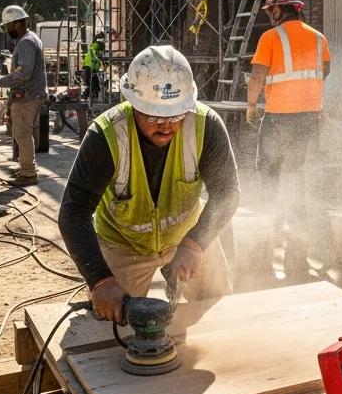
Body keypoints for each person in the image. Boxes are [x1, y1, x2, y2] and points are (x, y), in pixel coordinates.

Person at [58, 45, 240, 323]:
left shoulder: (206, 126)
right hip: (123, 243)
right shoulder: (107, 135)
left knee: (218, 311)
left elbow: (227, 194)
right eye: (154, 116)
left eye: (176, 115)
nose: (166, 125)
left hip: (187, 233)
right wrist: (100, 280)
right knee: (115, 325)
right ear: (133, 104)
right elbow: (74, 212)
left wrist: (195, 243)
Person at [246, 0, 330, 281]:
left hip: (279, 119)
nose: (270, 15)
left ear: (278, 9)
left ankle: (262, 255)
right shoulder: (318, 37)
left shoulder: (270, 37)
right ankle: (298, 256)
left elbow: (257, 76)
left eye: (271, 9)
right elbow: (324, 70)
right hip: (308, 120)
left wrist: (251, 105)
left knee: (268, 182)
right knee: (296, 180)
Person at [0, 5, 48, 187]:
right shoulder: (30, 38)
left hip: (28, 95)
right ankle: (26, 167)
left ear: (17, 23)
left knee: (22, 133)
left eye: (7, 26)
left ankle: (28, 173)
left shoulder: (26, 42)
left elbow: (24, 74)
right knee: (22, 133)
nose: (6, 30)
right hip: (31, 93)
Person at [82, 32, 106, 102]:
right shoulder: (96, 46)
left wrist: (97, 36)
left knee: (91, 83)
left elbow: (98, 55)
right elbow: (98, 55)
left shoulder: (94, 46)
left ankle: (91, 95)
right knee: (92, 83)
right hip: (91, 67)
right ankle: (91, 94)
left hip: (91, 67)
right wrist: (102, 62)